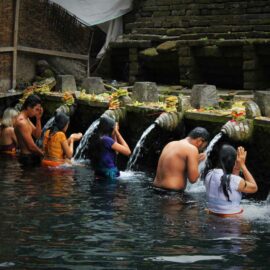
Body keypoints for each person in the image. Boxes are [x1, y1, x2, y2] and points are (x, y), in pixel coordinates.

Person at [202, 144, 258, 217]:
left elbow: (232, 185)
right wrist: (243, 165)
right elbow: (254, 188)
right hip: (233, 220)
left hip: (213, 216)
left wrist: (237, 168)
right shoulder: (233, 180)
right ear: (232, 161)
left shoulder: (209, 174)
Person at [153, 127, 210, 191]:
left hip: (156, 188)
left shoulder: (170, 144)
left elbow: (176, 168)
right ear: (199, 141)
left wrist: (195, 161)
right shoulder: (192, 149)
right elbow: (193, 179)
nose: (201, 150)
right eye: (203, 147)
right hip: (172, 194)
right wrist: (196, 164)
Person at [89, 115, 131, 180]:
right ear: (111, 128)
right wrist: (117, 133)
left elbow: (116, 152)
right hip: (109, 173)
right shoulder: (107, 140)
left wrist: (114, 134)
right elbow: (128, 152)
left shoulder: (99, 138)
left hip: (100, 172)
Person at [14, 94, 44, 166]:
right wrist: (43, 154)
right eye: (36, 109)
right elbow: (31, 147)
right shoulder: (22, 122)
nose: (37, 112)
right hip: (27, 158)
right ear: (28, 107)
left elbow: (37, 135)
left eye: (39, 110)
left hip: (30, 156)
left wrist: (38, 119)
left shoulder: (26, 119)